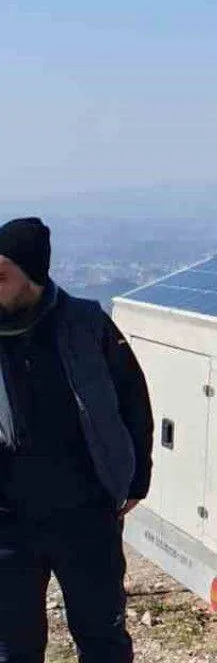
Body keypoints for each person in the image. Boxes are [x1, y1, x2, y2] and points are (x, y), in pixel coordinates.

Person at [0, 217, 154, 663]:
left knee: (103, 639)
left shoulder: (86, 325)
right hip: (7, 525)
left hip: (85, 516)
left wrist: (136, 481)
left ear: (32, 274)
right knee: (12, 647)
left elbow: (133, 400)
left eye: (1, 275)